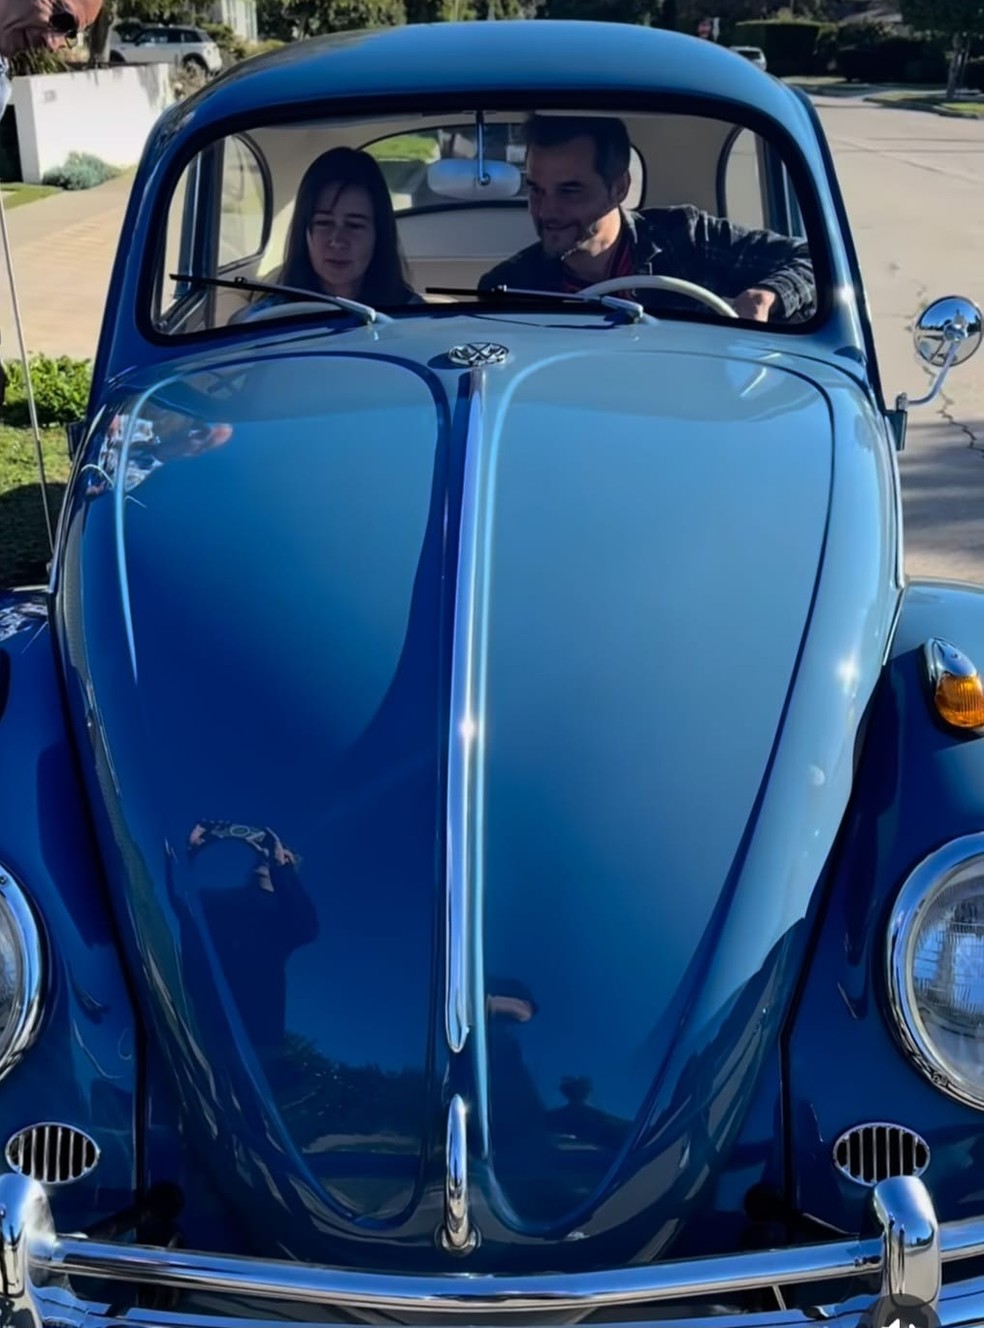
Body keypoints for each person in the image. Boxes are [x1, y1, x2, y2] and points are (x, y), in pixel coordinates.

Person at [479, 114, 815, 323]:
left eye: (570, 190)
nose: (546, 211)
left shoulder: (685, 237)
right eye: (536, 189)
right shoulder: (509, 286)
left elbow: (812, 259)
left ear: (619, 188)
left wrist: (766, 296)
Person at [234, 147, 419, 322]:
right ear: (304, 232)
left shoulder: (414, 317)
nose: (337, 241)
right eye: (323, 223)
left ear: (378, 235)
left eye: (354, 225)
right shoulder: (264, 318)